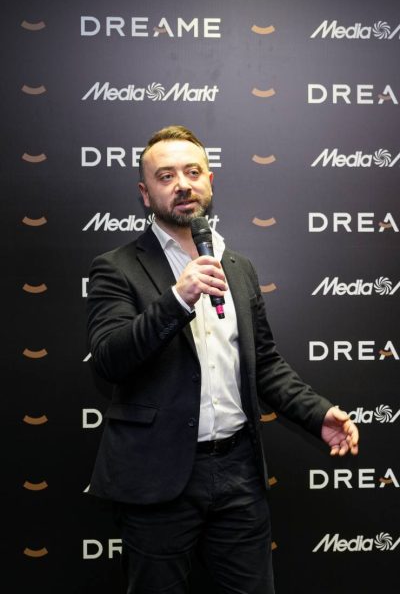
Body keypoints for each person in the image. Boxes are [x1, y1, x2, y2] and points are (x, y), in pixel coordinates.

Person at [86, 125, 359, 594]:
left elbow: (264, 363)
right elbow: (110, 360)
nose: (182, 184)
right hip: (156, 478)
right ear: (146, 194)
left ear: (210, 181)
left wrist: (318, 414)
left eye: (193, 172)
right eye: (166, 176)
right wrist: (177, 298)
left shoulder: (239, 267)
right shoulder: (116, 267)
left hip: (238, 474)